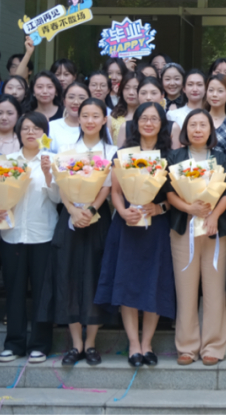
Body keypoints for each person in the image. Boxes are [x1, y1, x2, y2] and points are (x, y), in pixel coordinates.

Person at [95, 102, 177, 367]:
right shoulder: (124, 154)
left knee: (154, 281)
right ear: (136, 122)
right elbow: (116, 192)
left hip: (157, 227)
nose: (149, 123)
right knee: (127, 281)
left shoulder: (170, 155)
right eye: (144, 118)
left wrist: (159, 208)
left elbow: (175, 198)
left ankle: (147, 343)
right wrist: (122, 211)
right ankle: (133, 344)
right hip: (127, 226)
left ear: (162, 124)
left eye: (154, 119)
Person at [45, 100, 117, 367]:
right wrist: (73, 211)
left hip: (98, 217)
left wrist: (90, 209)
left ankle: (91, 343)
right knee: (69, 275)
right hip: (70, 217)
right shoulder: (67, 149)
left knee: (95, 275)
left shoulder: (112, 150)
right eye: (85, 115)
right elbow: (61, 184)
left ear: (104, 120)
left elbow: (107, 186)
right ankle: (76, 344)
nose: (89, 120)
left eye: (95, 116)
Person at [166, 109, 226, 366]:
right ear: (185, 129)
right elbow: (169, 192)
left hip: (215, 229)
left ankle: (213, 346)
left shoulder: (219, 156)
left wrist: (214, 215)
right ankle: (187, 346)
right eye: (192, 124)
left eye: (203, 125)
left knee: (214, 289)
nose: (197, 129)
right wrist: (189, 208)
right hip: (184, 228)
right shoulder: (175, 156)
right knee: (185, 289)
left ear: (210, 130)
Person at [0, 112, 57, 365]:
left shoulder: (53, 160)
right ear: (18, 133)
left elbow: (59, 199)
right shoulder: (7, 162)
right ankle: (14, 343)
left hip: (43, 233)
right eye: (25, 129)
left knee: (43, 293)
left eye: (36, 128)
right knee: (14, 291)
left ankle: (40, 345)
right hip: (12, 234)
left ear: (44, 133)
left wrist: (49, 175)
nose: (31, 132)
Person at [48, 83, 92, 153]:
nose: (76, 102)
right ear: (64, 101)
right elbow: (43, 154)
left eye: (81, 98)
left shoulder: (97, 126)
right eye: (71, 97)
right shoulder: (51, 127)